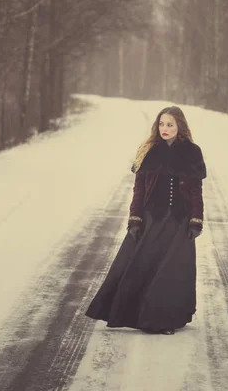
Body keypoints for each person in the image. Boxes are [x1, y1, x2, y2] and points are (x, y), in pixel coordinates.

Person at [85, 106, 207, 335]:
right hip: (153, 218)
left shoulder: (192, 152)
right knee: (141, 265)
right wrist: (135, 219)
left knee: (171, 272)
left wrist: (195, 220)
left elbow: (196, 191)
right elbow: (138, 190)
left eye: (170, 124)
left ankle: (163, 319)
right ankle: (137, 315)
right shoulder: (148, 150)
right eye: (161, 124)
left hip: (179, 221)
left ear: (179, 125)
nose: (165, 128)